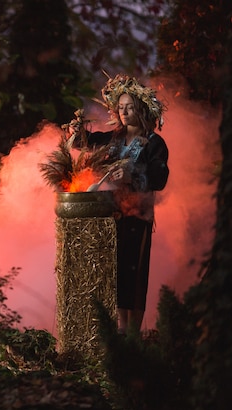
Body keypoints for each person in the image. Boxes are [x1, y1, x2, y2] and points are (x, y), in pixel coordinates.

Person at [79, 74, 170, 335]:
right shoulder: (115, 139)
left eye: (129, 106)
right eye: (120, 107)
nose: (124, 111)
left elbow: (160, 178)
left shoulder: (155, 144)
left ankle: (133, 332)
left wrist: (134, 175)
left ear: (141, 109)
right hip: (112, 213)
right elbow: (90, 143)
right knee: (116, 271)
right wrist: (78, 133)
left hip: (138, 216)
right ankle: (120, 329)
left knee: (135, 271)